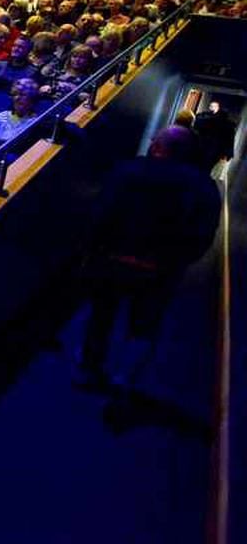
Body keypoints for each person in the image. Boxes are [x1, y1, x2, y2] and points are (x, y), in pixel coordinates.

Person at [76, 126, 221, 388]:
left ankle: (90, 370)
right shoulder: (203, 186)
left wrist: (91, 250)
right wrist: (174, 261)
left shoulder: (127, 170)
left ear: (157, 147)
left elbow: (101, 214)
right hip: (159, 270)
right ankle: (124, 379)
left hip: (112, 260)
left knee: (101, 318)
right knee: (144, 326)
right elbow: (203, 234)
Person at [0, 77, 39, 149]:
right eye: (14, 94)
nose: (17, 98)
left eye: (22, 94)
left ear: (32, 98)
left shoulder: (35, 123)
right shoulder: (1, 116)